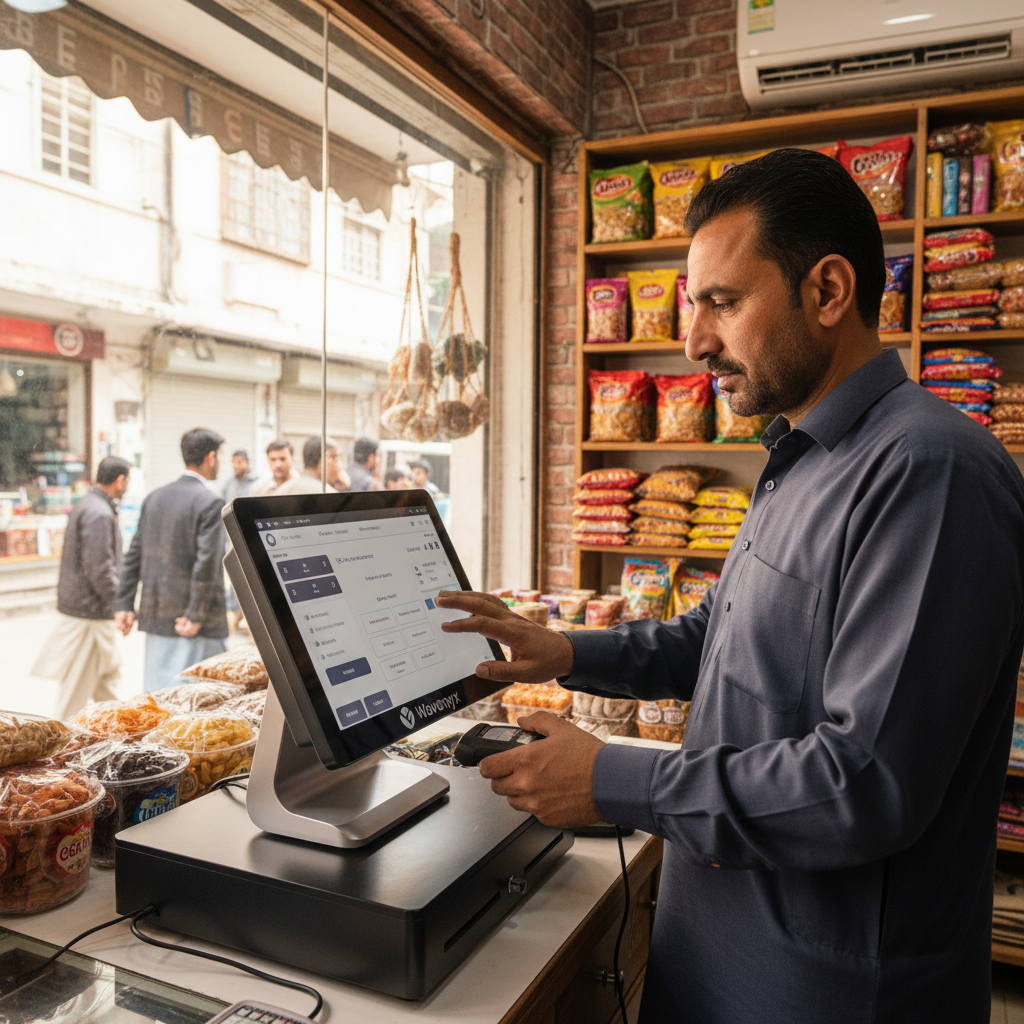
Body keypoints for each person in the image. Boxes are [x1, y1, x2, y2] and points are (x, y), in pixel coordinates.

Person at [437, 149, 1024, 1023]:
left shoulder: (929, 473)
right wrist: (560, 650)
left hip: (825, 992)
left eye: (723, 302)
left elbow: (865, 783)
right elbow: (721, 638)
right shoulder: (798, 454)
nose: (694, 342)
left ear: (828, 291)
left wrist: (611, 780)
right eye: (691, 304)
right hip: (715, 954)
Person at [115, 428, 229, 691]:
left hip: (158, 616)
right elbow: (208, 563)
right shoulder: (211, 501)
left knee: (159, 698)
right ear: (211, 457)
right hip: (194, 624)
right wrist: (195, 613)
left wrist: (124, 603)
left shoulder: (155, 497)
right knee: (199, 701)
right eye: (220, 455)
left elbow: (135, 553)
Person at [32, 456, 132, 719]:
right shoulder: (98, 512)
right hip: (90, 615)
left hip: (89, 612)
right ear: (120, 480)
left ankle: (125, 733)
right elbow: (100, 569)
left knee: (108, 686)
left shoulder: (90, 505)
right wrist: (120, 604)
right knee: (76, 696)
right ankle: (61, 741)